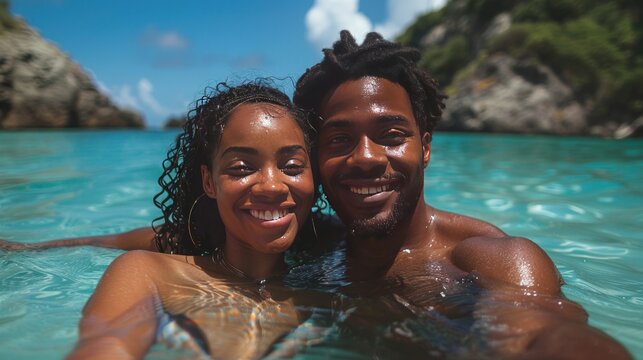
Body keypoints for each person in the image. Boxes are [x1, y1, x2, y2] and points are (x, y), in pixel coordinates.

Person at [2, 31, 631, 359]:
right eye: (338, 141)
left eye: (390, 135)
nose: (364, 158)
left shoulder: (486, 260)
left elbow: (538, 333)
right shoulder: (311, 241)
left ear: (427, 145)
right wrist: (29, 246)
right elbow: (159, 245)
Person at [67, 81, 319, 359]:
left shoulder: (330, 288)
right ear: (209, 181)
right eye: (241, 168)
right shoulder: (150, 275)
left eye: (293, 167)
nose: (272, 186)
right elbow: (106, 345)